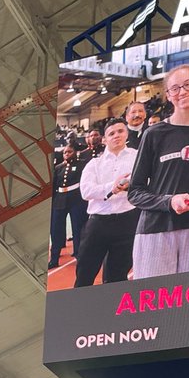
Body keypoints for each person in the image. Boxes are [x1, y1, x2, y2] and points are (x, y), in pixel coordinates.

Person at [127, 64, 189, 278]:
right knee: (154, 303)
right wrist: (169, 201)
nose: (182, 92)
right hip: (156, 228)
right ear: (169, 95)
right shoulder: (154, 134)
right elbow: (135, 192)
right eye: (175, 88)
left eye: (188, 84)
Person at [74, 118, 139, 287]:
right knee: (85, 273)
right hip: (98, 223)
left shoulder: (137, 157)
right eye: (111, 133)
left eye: (120, 131)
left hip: (128, 220)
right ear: (104, 139)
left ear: (127, 134)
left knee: (118, 275)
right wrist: (113, 187)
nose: (116, 135)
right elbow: (86, 191)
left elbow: (147, 181)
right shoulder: (94, 164)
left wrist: (130, 186)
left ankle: (111, 311)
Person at [48, 142, 87, 268]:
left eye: (69, 152)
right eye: (65, 152)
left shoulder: (81, 165)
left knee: (77, 227)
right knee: (56, 229)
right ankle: (54, 258)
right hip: (60, 200)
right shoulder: (58, 168)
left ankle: (78, 254)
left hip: (76, 198)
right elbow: (54, 186)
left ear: (75, 152)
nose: (67, 154)